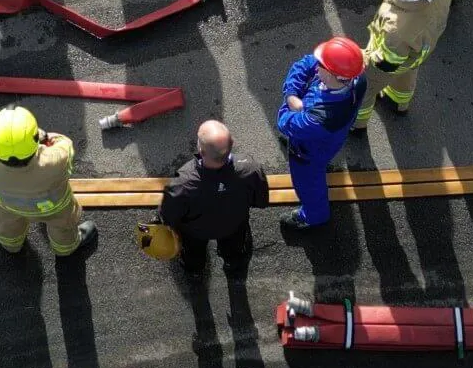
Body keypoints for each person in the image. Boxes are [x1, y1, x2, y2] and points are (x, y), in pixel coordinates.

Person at [354, 0, 473, 131]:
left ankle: (357, 123)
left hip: (392, 60)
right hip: (419, 51)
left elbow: (386, 64)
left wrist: (361, 59)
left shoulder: (397, 29)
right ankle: (398, 103)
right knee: (407, 75)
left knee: (364, 87)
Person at [0, 106, 96, 257]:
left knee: (8, 225)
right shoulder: (55, 161)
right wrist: (43, 136)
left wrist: (4, 129)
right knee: (62, 227)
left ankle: (11, 245)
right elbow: (63, 143)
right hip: (53, 207)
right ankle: (65, 249)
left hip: (9, 205)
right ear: (34, 139)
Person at [156, 120, 270, 281]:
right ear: (232, 143)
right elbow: (261, 201)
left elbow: (168, 216)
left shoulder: (183, 183)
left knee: (193, 252)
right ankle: (232, 263)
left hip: (195, 232)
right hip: (234, 226)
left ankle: (194, 270)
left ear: (201, 151)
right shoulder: (250, 168)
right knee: (234, 248)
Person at [275, 37, 367, 233]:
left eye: (321, 66)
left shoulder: (320, 119)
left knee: (308, 185)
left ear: (334, 75)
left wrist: (291, 102)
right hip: (327, 139)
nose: (316, 67)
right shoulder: (355, 77)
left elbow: (284, 122)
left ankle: (314, 216)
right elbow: (306, 63)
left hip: (308, 153)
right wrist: (292, 93)